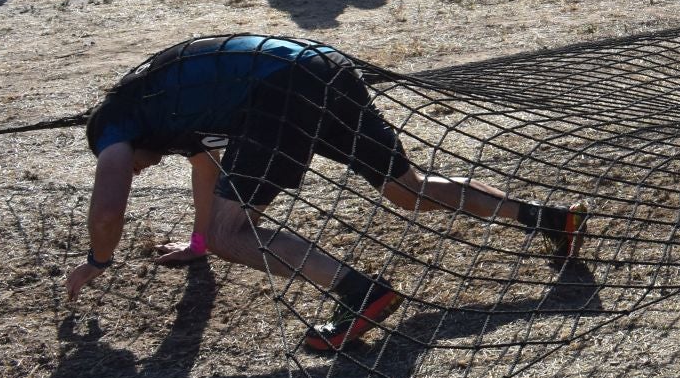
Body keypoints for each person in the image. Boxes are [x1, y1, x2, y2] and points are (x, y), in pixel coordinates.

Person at [66, 34, 586, 352]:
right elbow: (208, 167)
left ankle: (360, 294)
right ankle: (548, 218)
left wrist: (98, 260)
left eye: (129, 167)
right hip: (324, 67)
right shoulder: (160, 105)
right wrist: (199, 244)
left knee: (234, 234)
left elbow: (109, 206)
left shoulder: (114, 127)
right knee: (408, 189)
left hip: (280, 94)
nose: (133, 171)